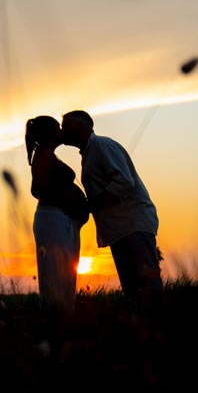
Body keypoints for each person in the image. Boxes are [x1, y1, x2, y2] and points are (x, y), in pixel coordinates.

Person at [60, 109, 164, 312]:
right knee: (133, 290)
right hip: (121, 228)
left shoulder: (101, 145)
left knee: (147, 286)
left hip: (132, 224)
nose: (63, 131)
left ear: (82, 126)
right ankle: (142, 330)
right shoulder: (90, 152)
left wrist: (93, 204)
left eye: (66, 126)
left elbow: (124, 181)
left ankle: (157, 328)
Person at [25, 115, 90, 315]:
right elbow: (38, 188)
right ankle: (56, 318)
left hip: (59, 219)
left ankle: (61, 317)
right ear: (50, 133)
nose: (62, 131)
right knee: (56, 273)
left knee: (62, 273)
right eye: (58, 128)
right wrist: (71, 200)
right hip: (53, 220)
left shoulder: (48, 154)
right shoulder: (44, 154)